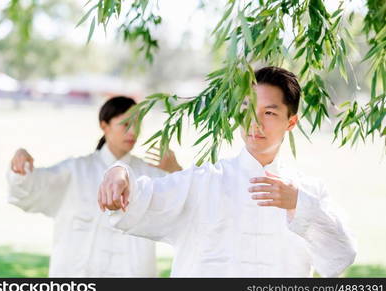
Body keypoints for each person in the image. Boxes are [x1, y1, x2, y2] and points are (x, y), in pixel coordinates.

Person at [98, 67, 357, 277]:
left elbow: (339, 258)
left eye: (268, 112)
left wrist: (298, 204)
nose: (254, 123)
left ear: (291, 121)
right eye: (247, 109)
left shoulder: (308, 191)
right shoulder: (205, 181)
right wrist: (119, 171)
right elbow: (139, 201)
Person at [7, 96, 182, 277]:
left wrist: (175, 170)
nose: (133, 131)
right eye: (125, 124)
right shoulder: (75, 171)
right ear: (104, 125)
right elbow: (29, 190)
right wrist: (21, 164)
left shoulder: (149, 175)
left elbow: (183, 205)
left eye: (137, 124)